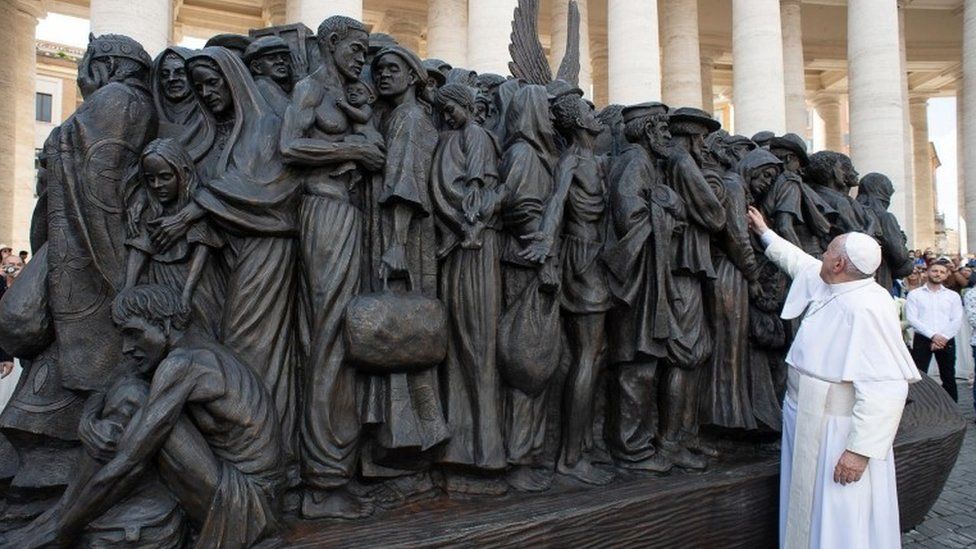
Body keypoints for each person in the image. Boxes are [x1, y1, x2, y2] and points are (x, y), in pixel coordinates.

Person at [5, 284, 285, 548]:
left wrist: (61, 530)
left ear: (163, 325)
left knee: (134, 400)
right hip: (244, 492)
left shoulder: (183, 364)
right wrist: (87, 420)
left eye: (133, 333)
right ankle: (60, 515)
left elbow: (131, 461)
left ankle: (58, 525)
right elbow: (114, 381)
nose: (126, 347)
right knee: (129, 391)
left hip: (246, 506)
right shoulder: (191, 349)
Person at [746, 206, 920, 549]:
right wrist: (764, 231)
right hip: (807, 415)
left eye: (828, 252)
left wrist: (859, 452)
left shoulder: (867, 307)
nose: (821, 256)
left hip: (837, 430)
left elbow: (886, 386)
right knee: (807, 504)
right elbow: (798, 262)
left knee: (839, 507)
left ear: (839, 264)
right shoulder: (835, 282)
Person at [905, 258, 963, 401]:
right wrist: (933, 336)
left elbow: (956, 320)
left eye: (942, 272)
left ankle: (952, 409)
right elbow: (912, 319)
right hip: (923, 339)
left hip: (946, 339)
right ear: (927, 272)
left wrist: (942, 337)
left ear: (947, 275)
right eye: (935, 271)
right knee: (919, 375)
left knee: (948, 375)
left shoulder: (953, 296)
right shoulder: (915, 294)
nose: (938, 274)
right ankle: (919, 407)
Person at [243, 35, 294, 117]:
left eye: (284, 58)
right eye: (271, 58)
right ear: (256, 67)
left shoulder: (275, 85)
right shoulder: (262, 86)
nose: (280, 61)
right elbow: (293, 118)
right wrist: (300, 79)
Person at [0, 255, 24, 409]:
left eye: (18, 264)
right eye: (10, 264)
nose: (13, 268)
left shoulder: (30, 288)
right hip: (3, 350)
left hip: (22, 349)